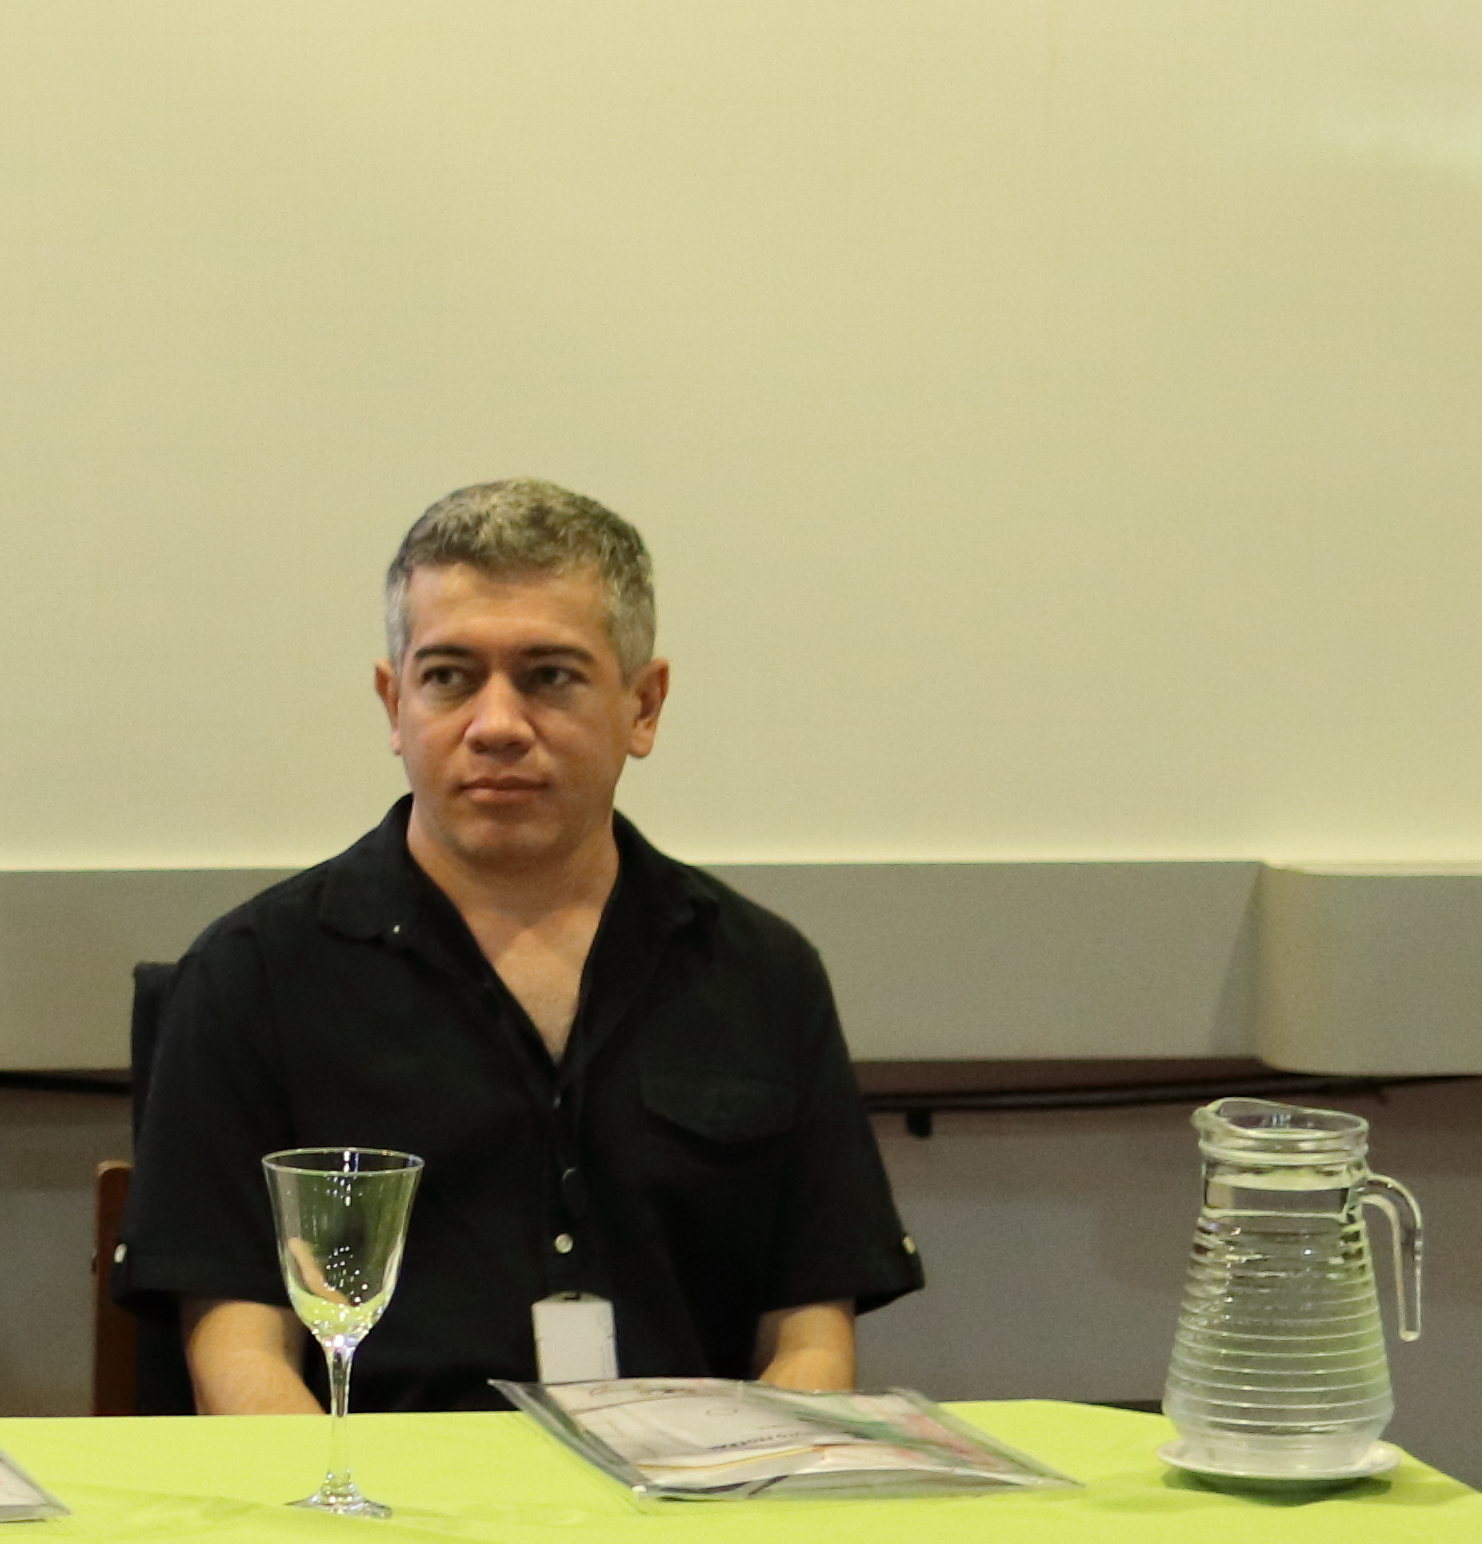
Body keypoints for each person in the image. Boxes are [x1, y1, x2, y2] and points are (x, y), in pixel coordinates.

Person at [126, 477, 917, 1412]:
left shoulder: (761, 974)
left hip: (686, 1522)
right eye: (449, 677)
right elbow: (240, 1355)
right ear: (394, 704)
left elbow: (810, 1338)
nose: (497, 726)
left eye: (550, 676)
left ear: (643, 705)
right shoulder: (252, 976)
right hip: (383, 1524)